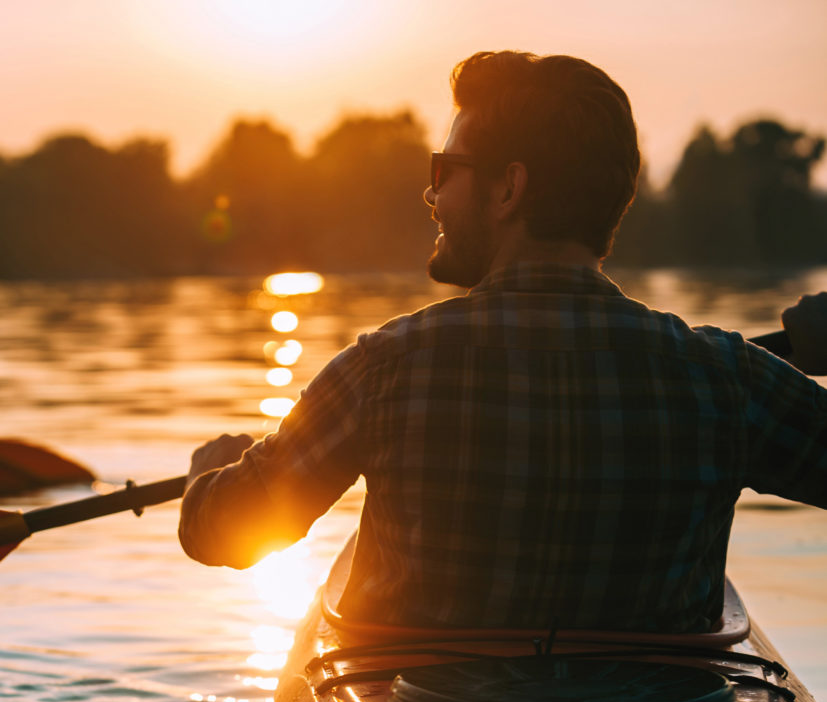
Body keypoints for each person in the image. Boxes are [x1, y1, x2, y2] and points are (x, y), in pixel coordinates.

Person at [179, 51, 827, 633]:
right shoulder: (726, 377)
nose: (431, 193)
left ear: (507, 187)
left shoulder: (382, 371)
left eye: (446, 168)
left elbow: (224, 535)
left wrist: (210, 475)